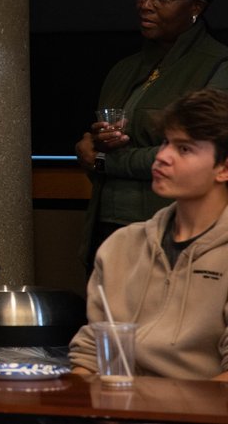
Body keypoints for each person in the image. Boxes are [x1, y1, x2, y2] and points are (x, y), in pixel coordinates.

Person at [76, 0, 228, 268]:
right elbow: (106, 140)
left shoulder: (217, 66)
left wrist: (105, 161)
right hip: (108, 228)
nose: (145, 4)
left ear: (196, 8)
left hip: (173, 232)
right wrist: (90, 145)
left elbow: (196, 155)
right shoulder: (124, 69)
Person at [70, 87, 228, 380]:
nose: (163, 156)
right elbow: (89, 357)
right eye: (166, 142)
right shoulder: (121, 246)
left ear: (223, 168)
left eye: (184, 149)